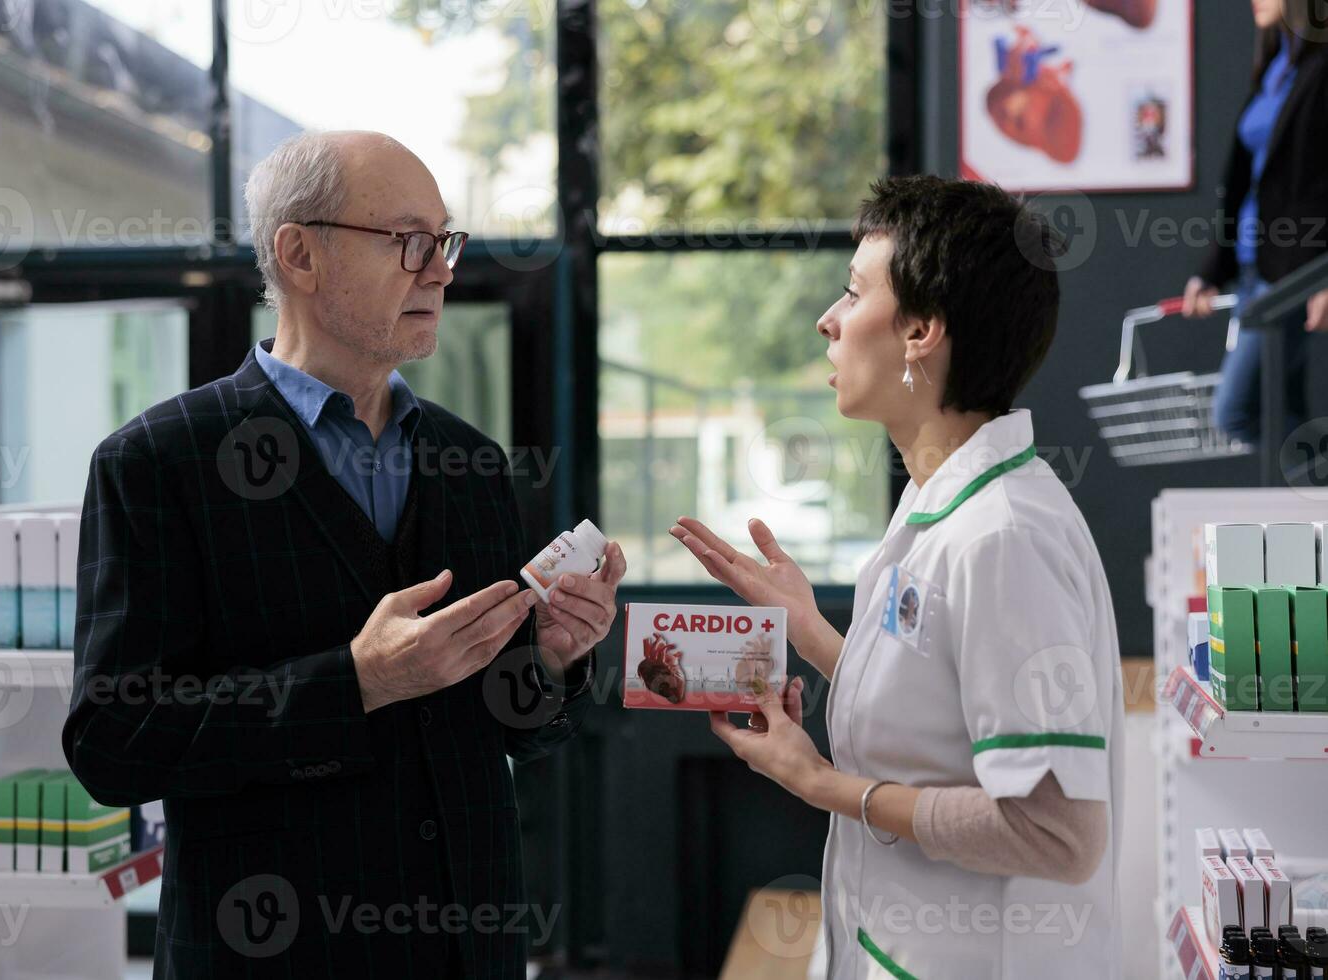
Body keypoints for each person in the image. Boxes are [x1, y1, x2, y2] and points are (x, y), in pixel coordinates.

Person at [63, 131, 625, 978]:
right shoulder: (158, 462)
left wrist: (548, 659)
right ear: (299, 253)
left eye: (444, 241)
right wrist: (357, 682)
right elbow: (114, 741)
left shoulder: (473, 464)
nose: (439, 269)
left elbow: (515, 734)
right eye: (408, 241)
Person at [670, 175, 1122, 978]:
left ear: (921, 330)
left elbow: (1059, 836)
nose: (828, 320)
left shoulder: (1002, 536)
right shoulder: (939, 499)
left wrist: (822, 783)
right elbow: (941, 717)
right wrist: (811, 632)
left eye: (852, 293)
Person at [1182, 0, 1328, 446]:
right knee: (1286, 412)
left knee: (1236, 411)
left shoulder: (1322, 66)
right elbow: (1246, 182)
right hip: (1254, 267)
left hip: (1292, 273)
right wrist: (1212, 271)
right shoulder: (1275, 67)